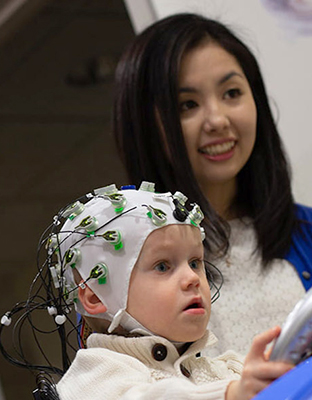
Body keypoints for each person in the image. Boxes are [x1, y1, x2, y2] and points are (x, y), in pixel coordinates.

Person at [112, 13, 312, 357]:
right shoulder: (122, 269)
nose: (218, 120)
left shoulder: (306, 231)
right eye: (187, 104)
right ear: (144, 126)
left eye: (232, 93)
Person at [49, 183, 293, 399]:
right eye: (163, 266)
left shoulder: (228, 370)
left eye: (196, 262)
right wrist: (231, 394)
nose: (192, 278)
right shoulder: (94, 378)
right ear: (95, 297)